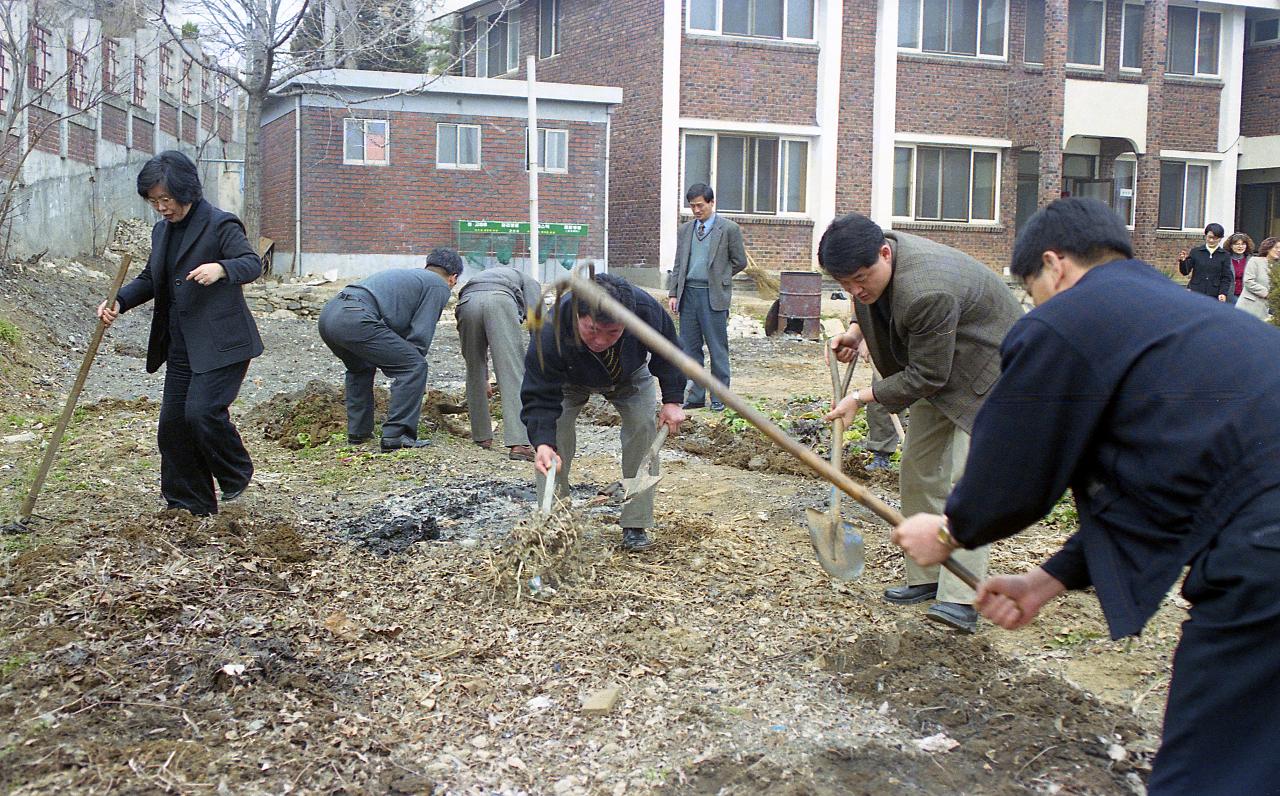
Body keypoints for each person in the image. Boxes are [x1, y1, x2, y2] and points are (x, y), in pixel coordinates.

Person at [892, 197, 1280, 795]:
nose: (1034, 308)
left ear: (1056, 266)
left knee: (1206, 770)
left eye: (1032, 291)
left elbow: (1017, 465)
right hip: (1258, 512)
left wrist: (949, 530)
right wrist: (1046, 581)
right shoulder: (1183, 321)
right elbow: (1158, 491)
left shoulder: (1069, 319)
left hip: (1266, 549)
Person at [819, 212, 1023, 633]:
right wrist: (857, 331)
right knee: (918, 469)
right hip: (940, 365)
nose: (855, 290)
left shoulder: (926, 289)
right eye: (844, 285)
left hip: (992, 371)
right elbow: (877, 303)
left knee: (970, 484)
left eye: (860, 278)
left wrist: (861, 396)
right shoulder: (874, 265)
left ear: (885, 253)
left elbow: (929, 375)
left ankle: (962, 595)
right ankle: (927, 577)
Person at [96, 150, 262, 516]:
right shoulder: (162, 231)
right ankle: (189, 504)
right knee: (172, 427)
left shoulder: (220, 224)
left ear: (186, 191)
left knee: (201, 413)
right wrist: (119, 302)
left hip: (222, 344)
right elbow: (149, 279)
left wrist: (220, 268)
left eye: (166, 199)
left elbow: (251, 263)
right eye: (154, 201)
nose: (161, 208)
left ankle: (236, 472)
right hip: (182, 345)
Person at [522, 273, 686, 551]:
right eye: (592, 330)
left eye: (613, 333)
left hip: (630, 375)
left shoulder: (645, 311)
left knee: (643, 429)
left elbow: (669, 353)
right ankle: (555, 522)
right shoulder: (551, 327)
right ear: (578, 316)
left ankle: (636, 522)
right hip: (569, 378)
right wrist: (542, 442)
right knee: (554, 438)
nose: (600, 341)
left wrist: (672, 399)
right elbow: (539, 391)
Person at [317, 248, 462, 452]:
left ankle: (359, 433)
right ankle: (397, 435)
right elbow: (419, 337)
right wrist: (407, 372)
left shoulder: (412, 277)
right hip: (356, 318)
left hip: (330, 315)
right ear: (453, 278)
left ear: (428, 266)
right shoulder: (438, 285)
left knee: (361, 368)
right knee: (414, 366)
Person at [667, 183, 747, 411]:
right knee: (689, 348)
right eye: (692, 206)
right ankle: (695, 396)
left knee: (717, 348)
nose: (696, 210)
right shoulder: (686, 230)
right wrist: (674, 292)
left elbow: (740, 261)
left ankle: (720, 397)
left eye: (700, 205)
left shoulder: (729, 229)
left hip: (713, 296)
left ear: (712, 203)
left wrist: (720, 277)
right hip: (688, 294)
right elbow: (679, 263)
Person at [455, 265, 542, 461]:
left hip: (467, 302)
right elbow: (538, 324)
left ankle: (481, 436)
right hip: (500, 301)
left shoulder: (490, 274)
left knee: (474, 369)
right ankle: (519, 443)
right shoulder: (530, 283)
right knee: (511, 371)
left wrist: (486, 377)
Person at [1176, 223, 1232, 301]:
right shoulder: (1196, 252)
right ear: (1205, 236)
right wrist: (1183, 261)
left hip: (1214, 293)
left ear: (1220, 238)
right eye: (1209, 237)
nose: (1211, 240)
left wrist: (1223, 293)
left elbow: (1226, 277)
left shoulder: (1225, 255)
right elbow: (1185, 272)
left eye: (1215, 238)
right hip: (1195, 291)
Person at [1236, 236, 1275, 321]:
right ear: (1268, 248)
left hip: (1265, 310)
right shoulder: (1255, 261)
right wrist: (1267, 293)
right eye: (1276, 248)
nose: (1279, 250)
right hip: (1248, 306)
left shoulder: (1277, 266)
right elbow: (1248, 281)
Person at [1224, 232, 1253, 305]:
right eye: (1237, 244)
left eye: (1243, 244)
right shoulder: (1225, 260)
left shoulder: (1251, 260)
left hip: (1247, 295)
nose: (1240, 246)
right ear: (1231, 246)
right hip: (1230, 295)